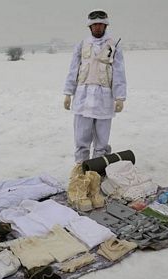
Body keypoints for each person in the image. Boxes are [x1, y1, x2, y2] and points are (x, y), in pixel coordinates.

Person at [63, 9, 127, 165]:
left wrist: (120, 97)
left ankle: (96, 172)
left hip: (104, 100)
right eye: (95, 25)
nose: (98, 27)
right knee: (81, 139)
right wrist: (67, 93)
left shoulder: (113, 47)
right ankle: (80, 171)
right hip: (82, 99)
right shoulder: (81, 45)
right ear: (90, 27)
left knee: (101, 142)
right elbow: (73, 70)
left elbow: (119, 72)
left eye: (101, 24)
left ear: (105, 26)